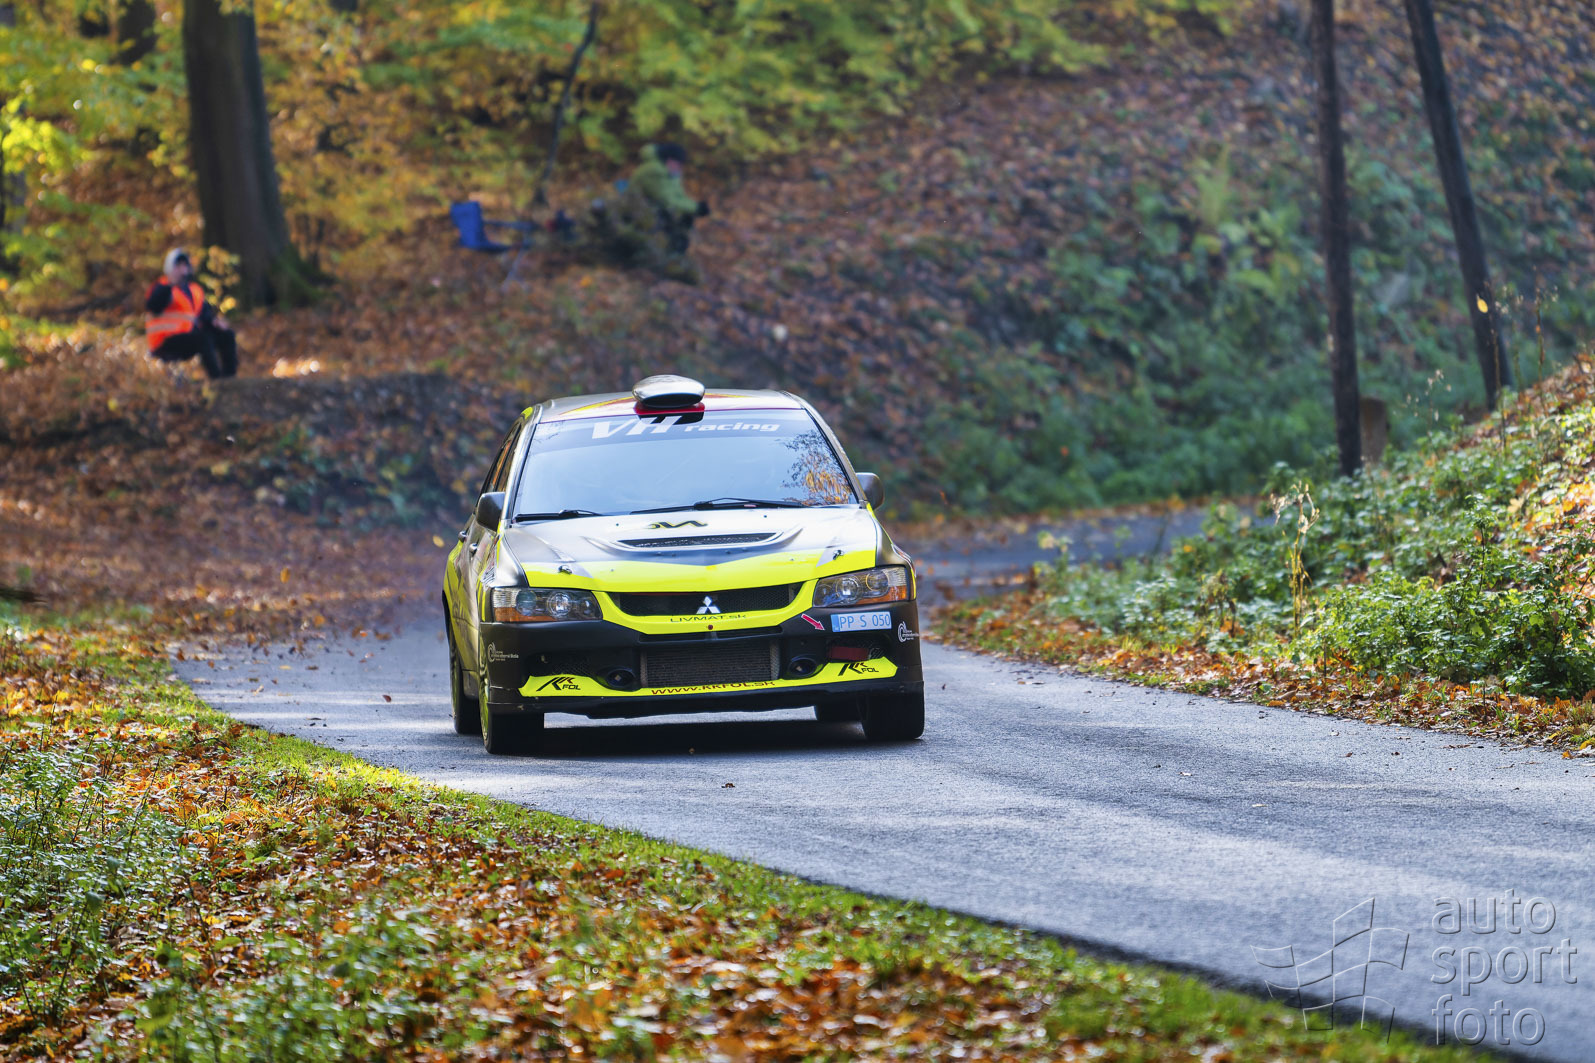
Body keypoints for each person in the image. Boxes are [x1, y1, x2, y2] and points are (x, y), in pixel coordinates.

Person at [585, 142, 711, 282]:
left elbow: (678, 196)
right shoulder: (653, 171)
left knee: (680, 230)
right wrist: (695, 208)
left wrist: (693, 208)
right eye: (678, 163)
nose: (680, 167)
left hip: (652, 216)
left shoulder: (670, 173)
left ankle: (672, 254)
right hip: (639, 217)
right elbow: (665, 199)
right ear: (669, 160)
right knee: (654, 247)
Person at [144, 248, 237, 379]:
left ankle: (229, 378)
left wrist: (214, 322)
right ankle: (216, 378)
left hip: (189, 338)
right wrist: (170, 284)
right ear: (170, 268)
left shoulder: (194, 290)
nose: (182, 270)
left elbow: (204, 315)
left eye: (184, 265)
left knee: (226, 335)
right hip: (164, 342)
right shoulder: (161, 287)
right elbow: (153, 306)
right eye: (178, 266)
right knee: (203, 339)